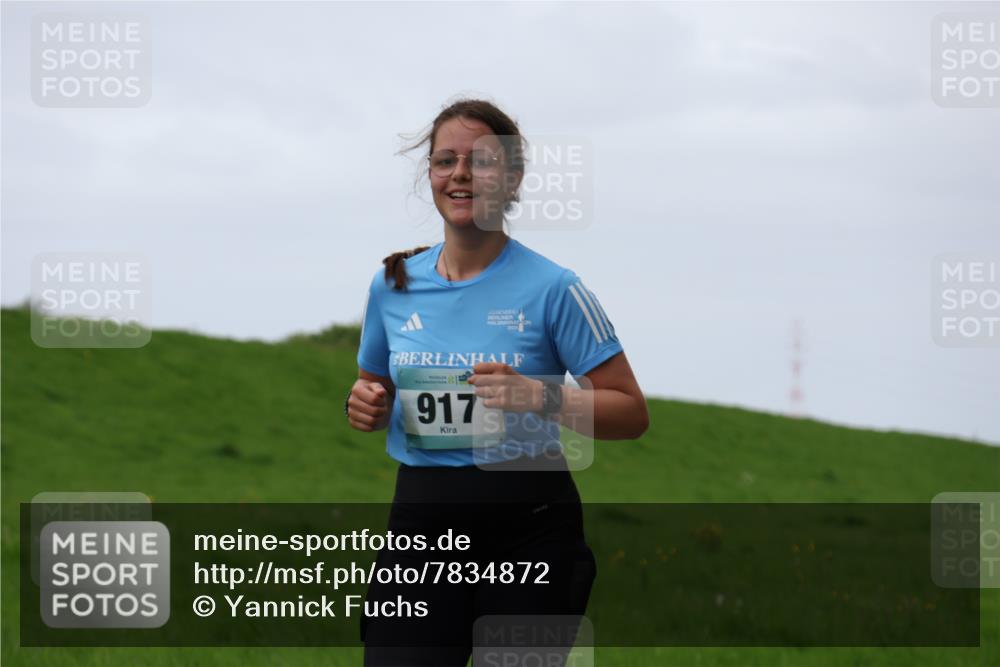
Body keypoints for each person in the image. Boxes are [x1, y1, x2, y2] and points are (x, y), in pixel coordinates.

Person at [347, 98, 648, 667]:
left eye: (481, 161)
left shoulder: (556, 288)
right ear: (430, 175)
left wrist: (540, 396)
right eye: (446, 161)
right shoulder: (393, 285)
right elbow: (371, 389)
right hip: (421, 531)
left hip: (529, 534)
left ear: (511, 178)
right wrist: (363, 405)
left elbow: (631, 412)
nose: (460, 174)